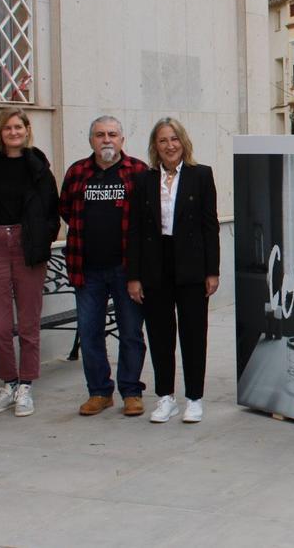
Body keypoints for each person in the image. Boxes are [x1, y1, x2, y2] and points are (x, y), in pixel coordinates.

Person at [0, 107, 60, 417]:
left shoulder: (38, 167)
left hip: (27, 246)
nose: (13, 132)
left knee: (29, 323)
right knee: (0, 325)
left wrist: (42, 239)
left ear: (27, 130)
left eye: (18, 127)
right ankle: (9, 382)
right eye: (7, 128)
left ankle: (26, 386)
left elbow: (51, 210)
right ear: (0, 133)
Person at [126, 118, 220, 424]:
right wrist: (134, 276)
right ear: (155, 146)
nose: (170, 146)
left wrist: (212, 271)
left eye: (174, 139)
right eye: (163, 140)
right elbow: (136, 232)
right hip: (155, 266)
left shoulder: (201, 176)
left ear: (184, 142)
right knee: (160, 334)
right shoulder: (143, 180)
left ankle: (194, 398)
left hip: (192, 266)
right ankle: (165, 397)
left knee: (194, 334)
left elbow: (210, 227)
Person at [59, 116, 149, 417]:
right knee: (90, 332)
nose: (106, 140)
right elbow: (65, 210)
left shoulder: (137, 171)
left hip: (127, 270)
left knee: (131, 332)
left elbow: (149, 217)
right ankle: (99, 392)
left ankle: (131, 391)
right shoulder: (77, 172)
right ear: (91, 141)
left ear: (122, 140)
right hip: (87, 269)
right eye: (100, 135)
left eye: (112, 134)